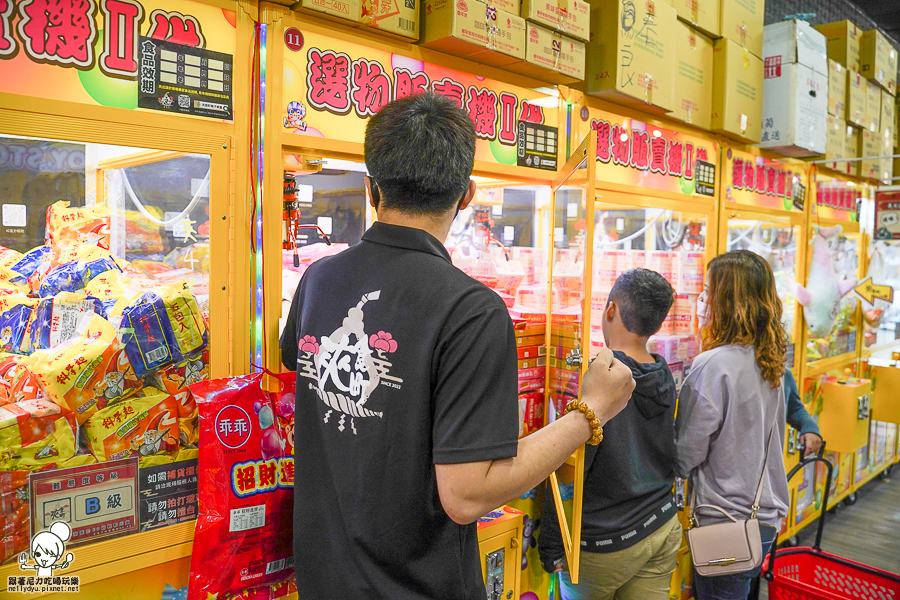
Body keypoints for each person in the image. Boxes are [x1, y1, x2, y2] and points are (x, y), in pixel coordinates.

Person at [280, 93, 636, 600]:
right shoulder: (471, 311)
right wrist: (590, 412)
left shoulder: (318, 279)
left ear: (370, 187)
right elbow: (467, 495)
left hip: (321, 580)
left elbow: (293, 361)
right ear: (467, 195)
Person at [539, 269, 682, 600]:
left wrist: (551, 545)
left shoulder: (601, 380)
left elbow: (569, 470)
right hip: (661, 523)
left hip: (603, 543)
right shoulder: (662, 372)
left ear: (611, 310)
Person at [675, 250, 790, 600]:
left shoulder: (713, 365)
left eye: (708, 291)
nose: (702, 300)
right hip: (765, 515)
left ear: (727, 300)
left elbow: (686, 454)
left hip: (725, 520)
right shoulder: (768, 356)